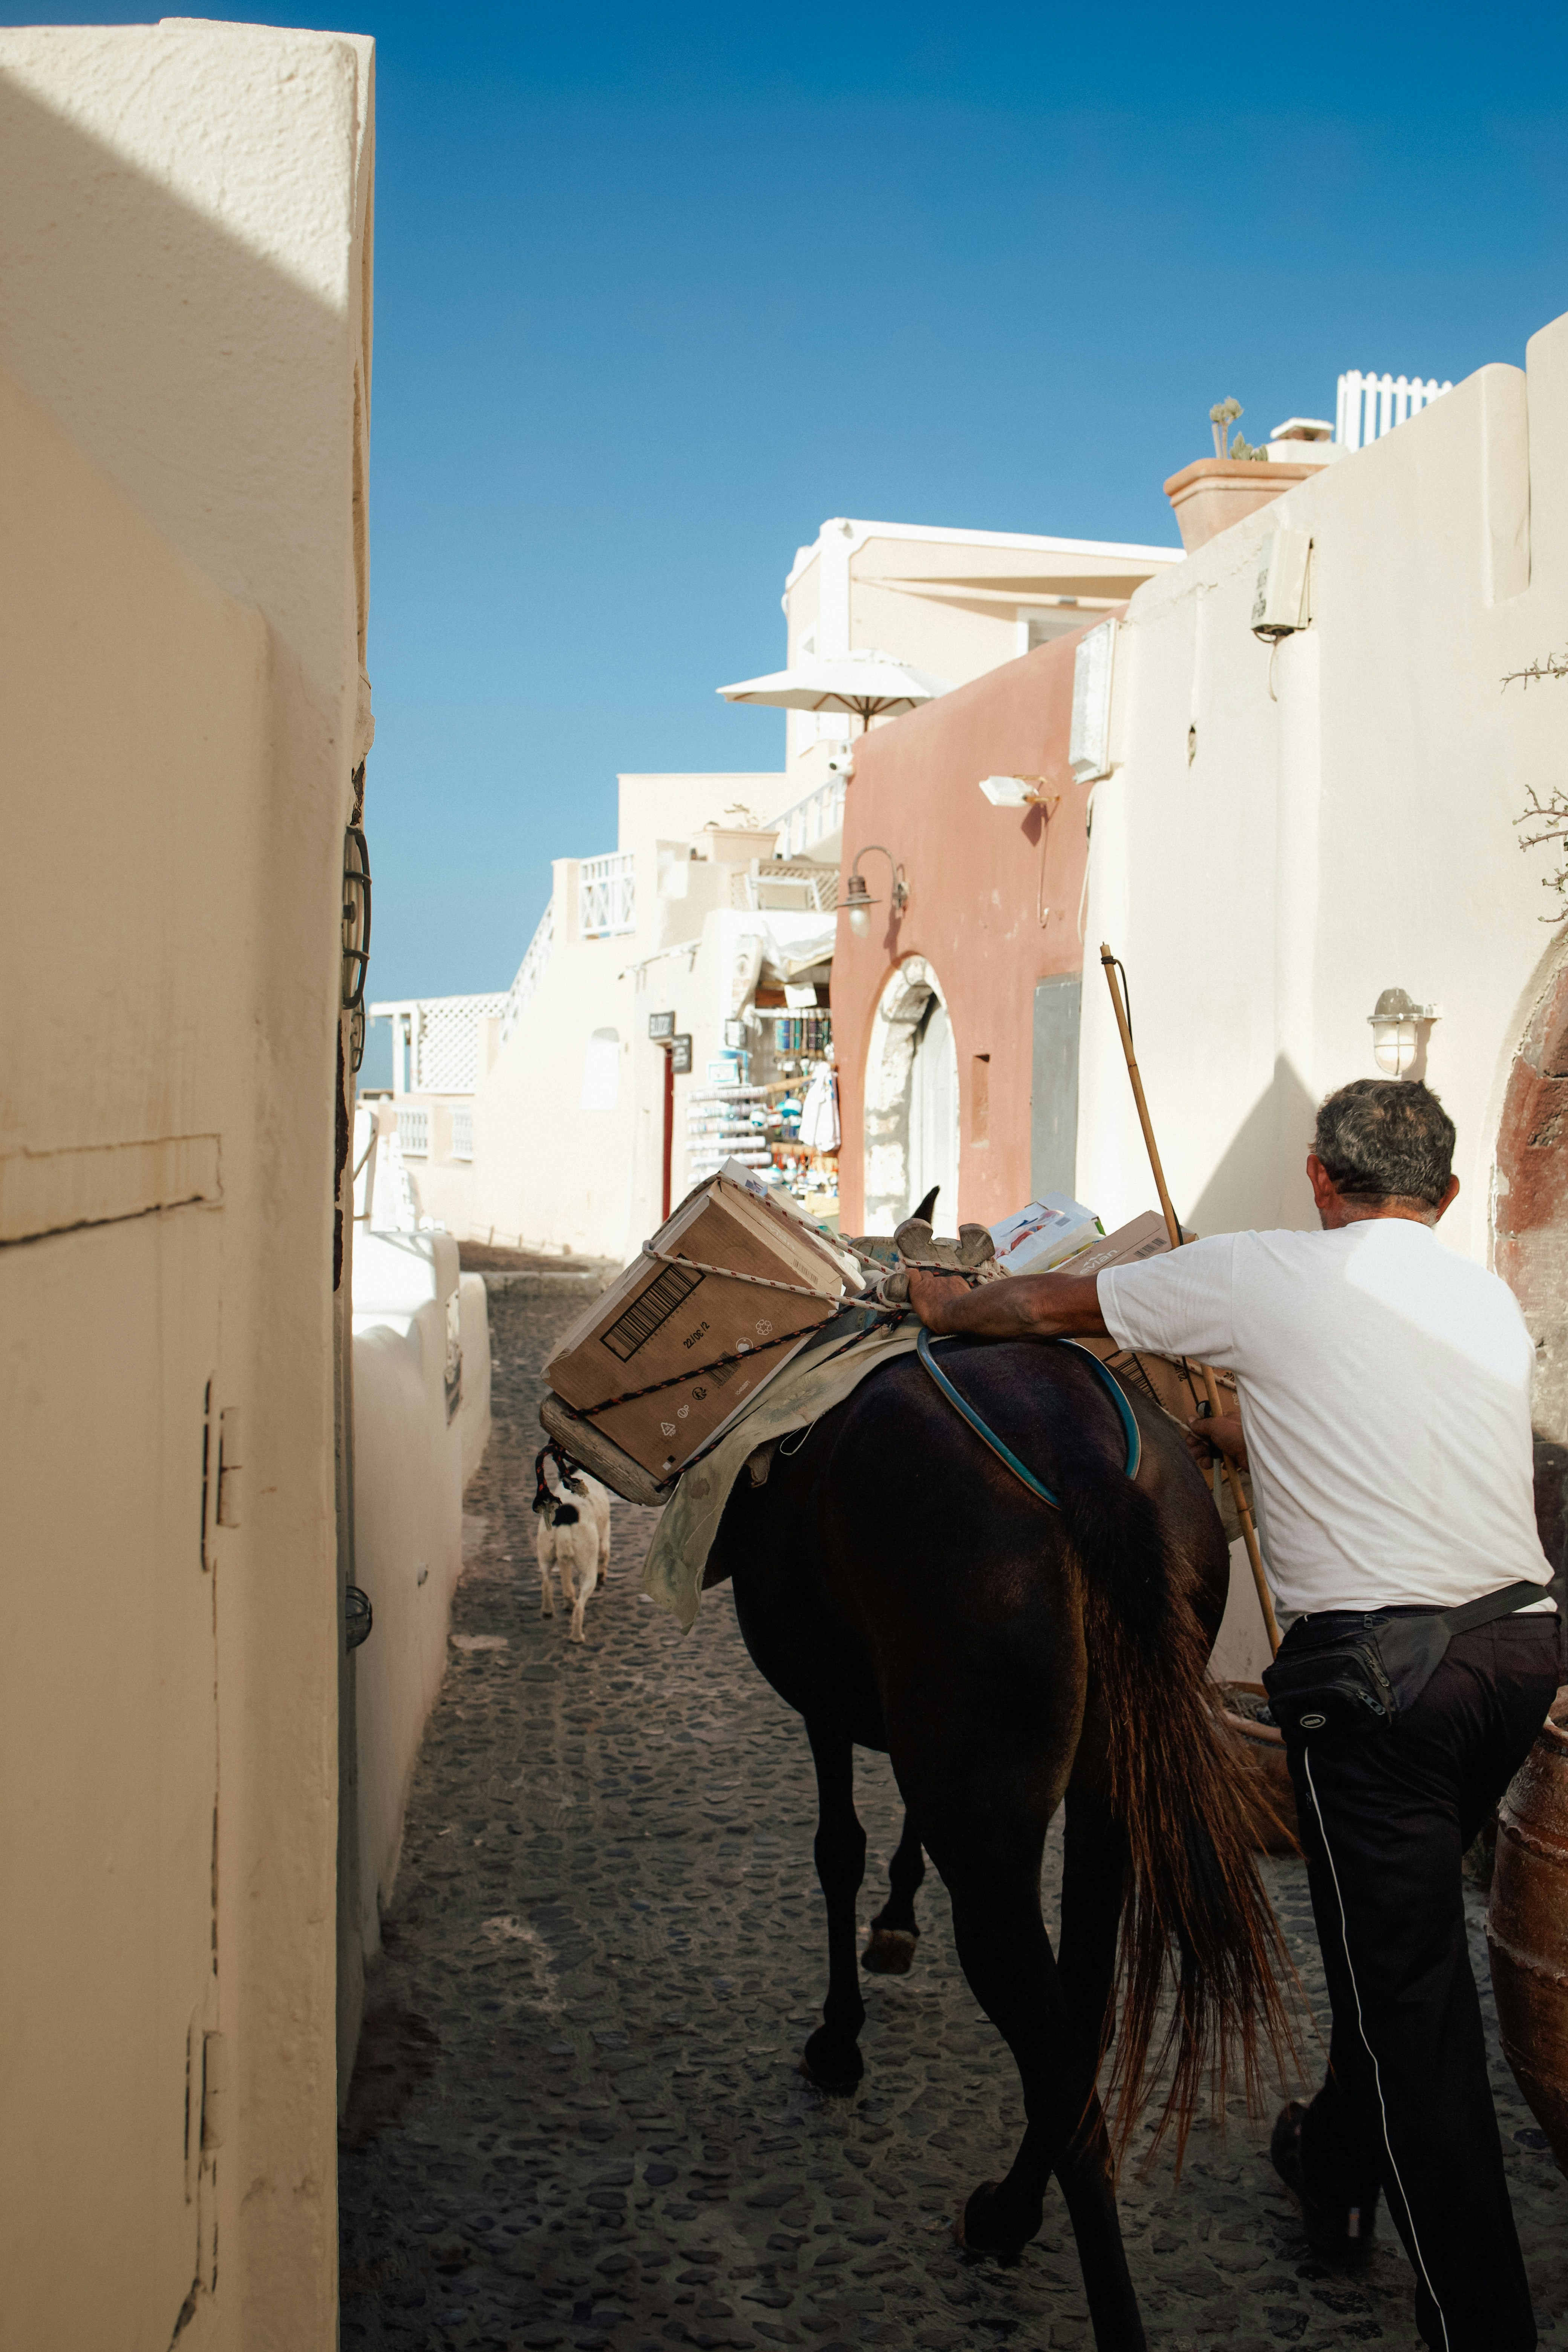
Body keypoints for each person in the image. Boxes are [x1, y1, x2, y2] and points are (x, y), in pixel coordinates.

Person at [907, 1078, 1559, 2352]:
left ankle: (1481, 2328)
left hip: (1382, 1688)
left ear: (1319, 1176)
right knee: (1393, 1945)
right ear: (1448, 1193)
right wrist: (1220, 1427)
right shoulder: (1480, 1299)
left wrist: (941, 1303)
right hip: (1521, 1654)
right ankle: (1335, 2162)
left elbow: (1043, 1304)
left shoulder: (1266, 1272)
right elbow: (1361, 1418)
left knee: (1412, 2006)